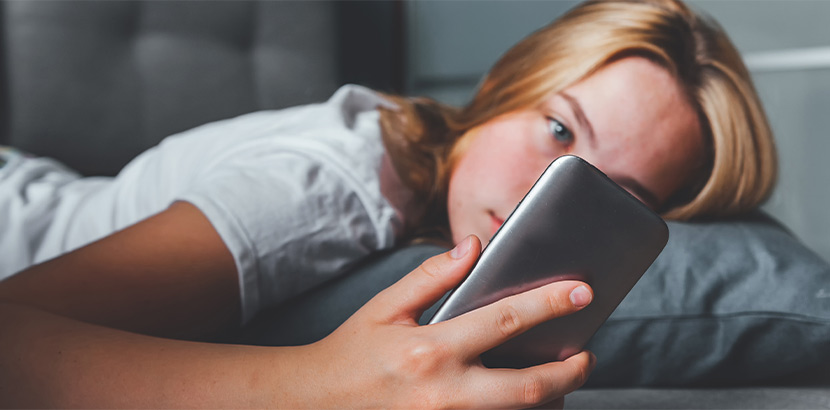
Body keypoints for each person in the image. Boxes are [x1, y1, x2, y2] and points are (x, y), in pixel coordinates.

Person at [0, 0, 776, 407]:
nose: (549, 194)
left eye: (609, 195)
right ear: (500, 87)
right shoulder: (334, 182)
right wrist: (314, 390)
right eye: (557, 128)